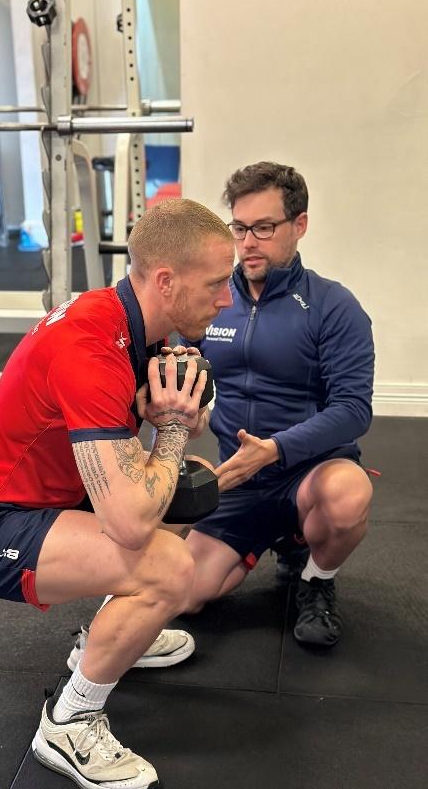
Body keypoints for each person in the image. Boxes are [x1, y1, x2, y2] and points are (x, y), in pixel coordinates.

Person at [0, 197, 235, 789]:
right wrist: (168, 426)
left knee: (186, 485)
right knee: (172, 567)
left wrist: (164, 419)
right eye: (218, 284)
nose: (227, 298)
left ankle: (108, 636)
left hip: (44, 497)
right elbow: (127, 523)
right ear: (166, 281)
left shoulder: (130, 323)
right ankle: (71, 721)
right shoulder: (92, 347)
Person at [179, 160, 375, 647]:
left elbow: (354, 409)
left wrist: (276, 449)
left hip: (310, 472)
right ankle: (276, 539)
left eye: (264, 228)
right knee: (184, 595)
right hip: (240, 477)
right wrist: (192, 405)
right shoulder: (216, 298)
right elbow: (191, 368)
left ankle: (316, 580)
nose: (247, 243)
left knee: (348, 496)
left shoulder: (333, 306)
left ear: (299, 225)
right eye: (239, 227)